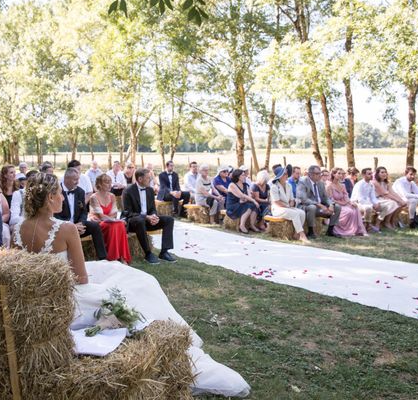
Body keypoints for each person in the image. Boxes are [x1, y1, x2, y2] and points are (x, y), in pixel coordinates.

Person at [13, 171, 250, 398]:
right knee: (137, 284)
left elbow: (19, 271)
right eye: (59, 194)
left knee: (114, 269)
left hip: (37, 299)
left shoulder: (16, 230)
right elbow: (81, 278)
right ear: (49, 198)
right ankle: (160, 332)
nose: (63, 197)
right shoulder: (65, 229)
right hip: (68, 296)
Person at [122, 168, 176, 264]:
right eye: (148, 178)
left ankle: (164, 252)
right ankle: (148, 253)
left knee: (169, 219)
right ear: (140, 179)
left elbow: (152, 208)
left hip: (148, 220)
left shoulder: (150, 190)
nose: (150, 180)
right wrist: (146, 217)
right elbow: (127, 213)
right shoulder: (128, 190)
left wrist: (154, 216)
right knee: (139, 220)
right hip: (134, 222)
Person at [54, 168, 107, 260]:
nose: (78, 182)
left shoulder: (80, 192)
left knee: (95, 226)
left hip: (78, 225)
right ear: (66, 179)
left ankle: (103, 258)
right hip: (62, 227)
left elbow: (83, 211)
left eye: (78, 179)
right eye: (75, 180)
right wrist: (72, 226)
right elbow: (55, 215)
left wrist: (81, 224)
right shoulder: (57, 192)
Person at [88, 173, 131, 263]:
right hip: (98, 223)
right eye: (106, 182)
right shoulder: (94, 197)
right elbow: (100, 216)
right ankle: (113, 258)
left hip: (108, 221)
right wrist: (114, 220)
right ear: (99, 184)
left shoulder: (112, 196)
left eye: (110, 182)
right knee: (116, 224)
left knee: (120, 224)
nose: (110, 184)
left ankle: (122, 257)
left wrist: (114, 220)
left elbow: (114, 213)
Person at [297, 165, 340, 238]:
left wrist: (331, 205)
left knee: (337, 207)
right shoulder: (303, 182)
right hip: (306, 206)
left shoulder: (321, 183)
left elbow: (326, 198)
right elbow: (304, 199)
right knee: (312, 207)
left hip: (321, 206)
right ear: (310, 174)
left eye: (320, 173)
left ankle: (330, 231)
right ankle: (311, 232)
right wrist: (319, 205)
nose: (320, 175)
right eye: (317, 173)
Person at [270, 165, 308, 241]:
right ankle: (302, 235)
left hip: (287, 207)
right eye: (284, 174)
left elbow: (291, 199)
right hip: (278, 209)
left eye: (287, 174)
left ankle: (296, 234)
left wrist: (292, 202)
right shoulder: (274, 187)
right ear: (279, 176)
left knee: (302, 213)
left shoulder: (289, 185)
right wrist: (288, 207)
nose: (287, 175)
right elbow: (277, 202)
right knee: (295, 213)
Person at [325, 168, 367, 236]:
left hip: (344, 203)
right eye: (339, 173)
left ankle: (357, 230)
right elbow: (330, 199)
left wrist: (350, 202)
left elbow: (346, 196)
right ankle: (345, 230)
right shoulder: (329, 186)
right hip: (335, 205)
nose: (341, 175)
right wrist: (342, 203)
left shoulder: (342, 185)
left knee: (355, 208)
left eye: (342, 173)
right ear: (333, 174)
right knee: (349, 211)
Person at [351, 167, 393, 232]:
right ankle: (366, 226)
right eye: (369, 174)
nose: (371, 175)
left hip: (368, 203)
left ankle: (377, 225)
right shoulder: (359, 184)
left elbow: (373, 196)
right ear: (363, 175)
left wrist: (376, 203)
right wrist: (371, 205)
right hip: (357, 203)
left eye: (371, 173)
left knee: (385, 207)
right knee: (368, 208)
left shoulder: (371, 184)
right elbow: (360, 198)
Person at [225, 169, 259, 233]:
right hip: (233, 206)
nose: (245, 176)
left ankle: (252, 225)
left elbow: (249, 196)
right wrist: (253, 200)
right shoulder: (232, 185)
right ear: (238, 176)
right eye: (243, 175)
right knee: (249, 206)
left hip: (242, 203)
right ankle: (242, 225)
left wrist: (248, 199)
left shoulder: (245, 185)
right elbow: (242, 195)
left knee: (254, 206)